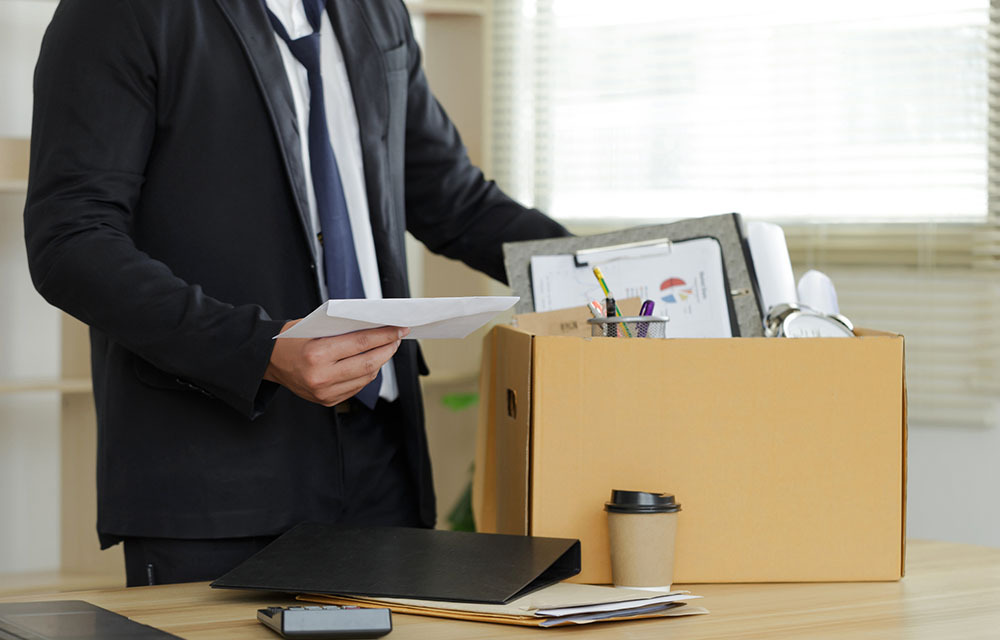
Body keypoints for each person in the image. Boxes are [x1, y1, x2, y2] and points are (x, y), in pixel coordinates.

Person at [24, 0, 568, 586]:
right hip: (217, 475)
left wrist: (600, 273)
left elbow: (453, 201)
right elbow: (70, 241)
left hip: (382, 463)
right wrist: (257, 348)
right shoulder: (118, 12)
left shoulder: (378, 12)